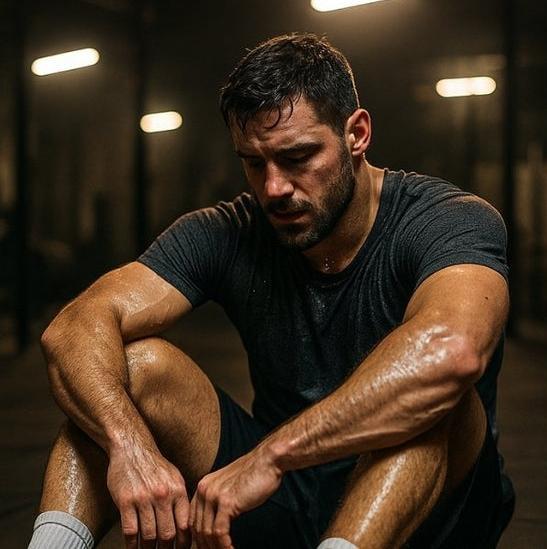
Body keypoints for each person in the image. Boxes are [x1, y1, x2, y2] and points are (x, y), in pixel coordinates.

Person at [30, 33, 512, 549]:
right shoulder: (228, 230)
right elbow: (74, 327)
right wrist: (127, 446)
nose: (275, 188)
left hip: (427, 522)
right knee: (127, 370)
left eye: (299, 156)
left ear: (357, 133)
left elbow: (452, 352)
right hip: (284, 506)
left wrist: (271, 455)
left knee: (433, 399)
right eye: (254, 163)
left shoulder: (447, 220)